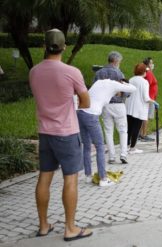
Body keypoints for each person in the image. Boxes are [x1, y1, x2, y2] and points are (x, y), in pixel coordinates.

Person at [29, 28, 93, 241]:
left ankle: (44, 225)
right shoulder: (71, 72)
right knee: (70, 179)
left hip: (44, 133)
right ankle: (70, 228)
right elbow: (86, 101)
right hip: (66, 132)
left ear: (43, 46)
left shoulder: (34, 72)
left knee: (44, 178)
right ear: (64, 47)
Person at [78, 79, 136, 187]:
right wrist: (123, 84)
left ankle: (88, 176)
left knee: (86, 145)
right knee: (100, 146)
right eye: (120, 92)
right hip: (91, 115)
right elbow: (133, 88)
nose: (119, 94)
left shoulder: (99, 82)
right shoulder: (114, 85)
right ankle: (103, 179)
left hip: (80, 112)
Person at [94, 51, 129, 164]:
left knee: (108, 131)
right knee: (123, 130)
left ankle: (111, 157)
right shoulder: (119, 74)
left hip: (105, 105)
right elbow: (126, 91)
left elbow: (94, 89)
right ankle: (123, 154)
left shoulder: (99, 73)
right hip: (119, 105)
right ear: (116, 61)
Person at [126, 63, 159, 154]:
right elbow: (146, 98)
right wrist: (154, 102)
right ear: (143, 72)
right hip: (139, 108)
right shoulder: (144, 82)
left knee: (129, 128)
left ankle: (127, 146)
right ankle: (133, 148)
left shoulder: (131, 79)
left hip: (129, 107)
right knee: (136, 128)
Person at [139, 57, 158, 142]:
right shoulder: (149, 73)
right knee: (146, 117)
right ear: (147, 64)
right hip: (149, 98)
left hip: (148, 97)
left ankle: (140, 134)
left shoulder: (145, 72)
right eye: (151, 63)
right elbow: (147, 85)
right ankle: (144, 134)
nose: (152, 65)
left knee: (144, 116)